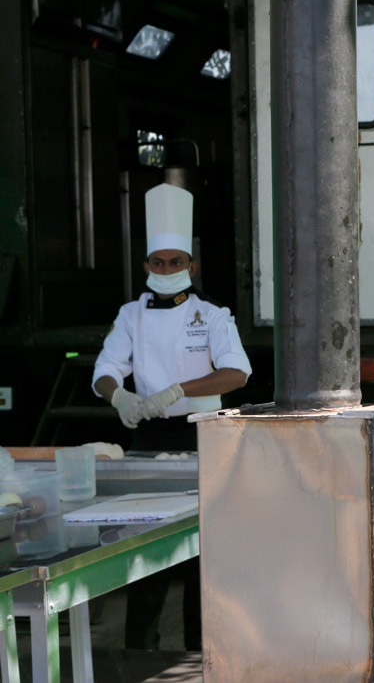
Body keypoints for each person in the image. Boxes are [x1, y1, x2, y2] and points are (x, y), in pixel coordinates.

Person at [92, 182, 252, 650]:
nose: (166, 270)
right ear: (146, 267)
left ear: (190, 266)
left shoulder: (213, 316)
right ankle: (139, 651)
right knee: (147, 553)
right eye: (158, 263)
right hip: (149, 443)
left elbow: (237, 373)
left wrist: (180, 390)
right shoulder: (130, 317)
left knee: (205, 554)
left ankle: (203, 654)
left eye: (175, 262)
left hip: (205, 439)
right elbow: (105, 371)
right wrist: (119, 398)